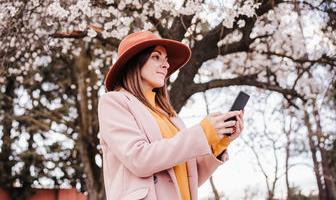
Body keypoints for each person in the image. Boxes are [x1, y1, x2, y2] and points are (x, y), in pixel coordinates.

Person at [98, 31, 244, 200]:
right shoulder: (114, 102)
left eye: (166, 59)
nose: (166, 65)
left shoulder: (171, 116)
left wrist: (218, 143)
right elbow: (139, 159)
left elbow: (188, 177)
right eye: (156, 57)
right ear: (134, 62)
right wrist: (203, 132)